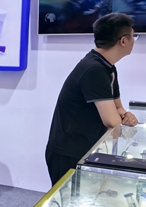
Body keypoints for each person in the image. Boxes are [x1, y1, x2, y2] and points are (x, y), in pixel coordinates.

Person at [46, 12, 139, 185]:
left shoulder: (107, 67)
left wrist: (126, 115)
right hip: (68, 152)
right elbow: (112, 120)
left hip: (85, 147)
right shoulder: (94, 69)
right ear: (123, 41)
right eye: (133, 36)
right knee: (67, 200)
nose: (134, 40)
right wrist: (121, 117)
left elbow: (118, 108)